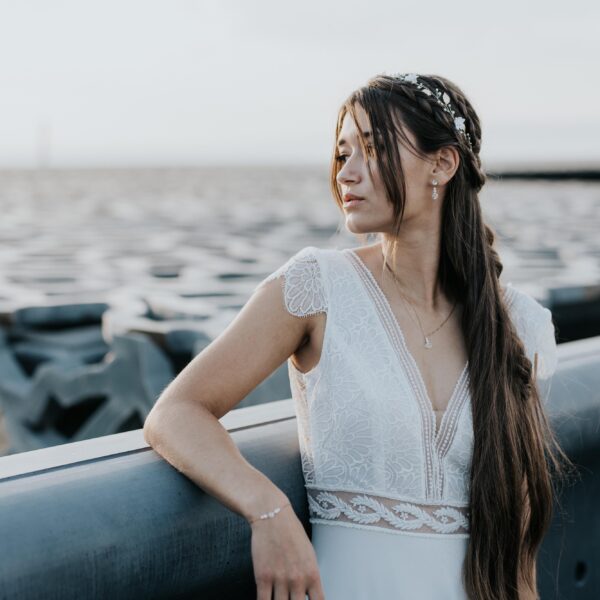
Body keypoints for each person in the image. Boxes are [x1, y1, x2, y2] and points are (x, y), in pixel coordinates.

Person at [143, 72, 572, 600]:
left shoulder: (518, 325)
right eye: (342, 153)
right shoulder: (316, 286)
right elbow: (176, 413)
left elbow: (518, 558)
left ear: (442, 164)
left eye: (371, 148)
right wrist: (268, 511)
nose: (346, 172)